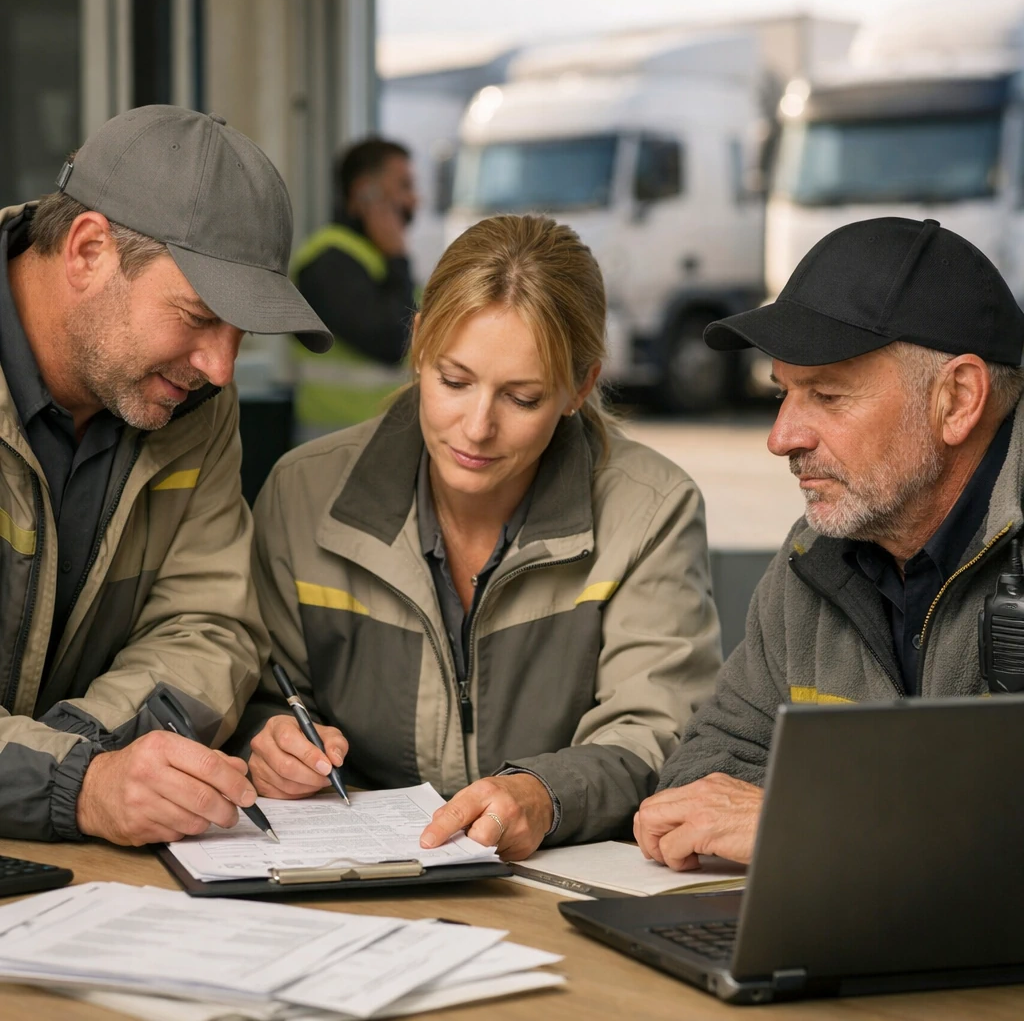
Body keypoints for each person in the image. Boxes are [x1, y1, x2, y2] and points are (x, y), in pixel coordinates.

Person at [231, 214, 722, 859]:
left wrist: (545, 794)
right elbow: (256, 692)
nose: (476, 428)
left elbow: (660, 731)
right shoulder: (302, 494)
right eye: (453, 382)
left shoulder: (651, 511)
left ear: (580, 387)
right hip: (352, 883)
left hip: (549, 888)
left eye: (521, 398)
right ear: (417, 351)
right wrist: (268, 745)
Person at [634, 217, 1024, 871]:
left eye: (827, 395)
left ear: (957, 399)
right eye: (783, 393)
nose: (782, 436)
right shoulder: (817, 558)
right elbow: (706, 771)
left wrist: (810, 824)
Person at [0, 105, 332, 846]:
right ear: (88, 251)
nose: (220, 366)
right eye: (197, 315)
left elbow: (208, 628)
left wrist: (89, 754)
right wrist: (78, 785)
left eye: (240, 335)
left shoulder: (194, 400)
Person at [291, 137, 419, 435]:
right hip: (338, 443)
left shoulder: (374, 257)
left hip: (380, 437)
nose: (415, 201)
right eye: (404, 186)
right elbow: (392, 340)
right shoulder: (329, 261)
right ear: (365, 192)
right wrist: (398, 258)